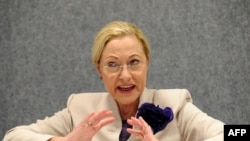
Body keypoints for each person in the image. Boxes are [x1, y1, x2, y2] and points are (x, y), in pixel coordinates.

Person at [3, 20, 224, 141]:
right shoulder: (81, 108)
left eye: (134, 62)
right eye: (112, 64)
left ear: (148, 61)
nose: (125, 75)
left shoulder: (176, 103)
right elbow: (12, 137)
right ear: (98, 68)